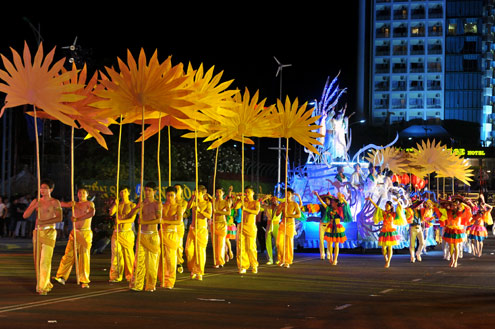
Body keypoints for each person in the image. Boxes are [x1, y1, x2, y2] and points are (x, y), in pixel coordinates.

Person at [23, 179, 63, 295]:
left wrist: (45, 222)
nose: (42, 190)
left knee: (45, 260)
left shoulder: (55, 202)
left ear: (51, 189)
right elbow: (25, 215)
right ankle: (43, 282)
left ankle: (42, 287)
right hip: (37, 232)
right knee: (37, 260)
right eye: (41, 188)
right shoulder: (37, 201)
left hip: (49, 231)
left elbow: (59, 218)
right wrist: (34, 205)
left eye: (45, 188)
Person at [53, 188, 95, 288]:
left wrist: (78, 219)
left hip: (85, 233)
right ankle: (61, 276)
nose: (81, 194)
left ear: (87, 195)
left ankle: (84, 279)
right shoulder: (74, 204)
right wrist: (55, 201)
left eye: (83, 193)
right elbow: (61, 204)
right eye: (79, 193)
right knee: (68, 254)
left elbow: (91, 213)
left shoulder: (89, 204)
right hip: (75, 232)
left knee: (84, 256)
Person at [128, 182, 162, 292]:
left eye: (150, 190)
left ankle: (150, 285)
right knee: (139, 261)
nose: (147, 192)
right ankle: (137, 284)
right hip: (142, 235)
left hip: (152, 235)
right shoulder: (142, 203)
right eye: (146, 190)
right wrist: (137, 207)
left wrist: (144, 221)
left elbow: (159, 220)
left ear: (155, 192)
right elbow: (130, 215)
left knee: (151, 263)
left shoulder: (157, 204)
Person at [367, 197, 406, 268]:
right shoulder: (384, 213)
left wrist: (398, 202)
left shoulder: (393, 214)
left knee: (390, 248)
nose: (385, 206)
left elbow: (400, 209)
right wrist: (370, 200)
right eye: (385, 205)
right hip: (384, 231)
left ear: (390, 207)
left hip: (391, 231)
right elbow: (377, 207)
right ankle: (386, 259)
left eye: (387, 205)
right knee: (383, 248)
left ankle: (388, 262)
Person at [108, 186, 136, 283]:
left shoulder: (132, 205)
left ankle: (131, 275)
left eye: (125, 191)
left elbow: (132, 219)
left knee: (128, 255)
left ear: (128, 193)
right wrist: (114, 204)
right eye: (121, 192)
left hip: (127, 233)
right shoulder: (118, 204)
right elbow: (111, 213)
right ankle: (116, 275)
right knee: (116, 254)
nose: (123, 194)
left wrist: (121, 221)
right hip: (117, 233)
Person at [157, 186, 183, 289]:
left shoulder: (178, 207)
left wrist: (165, 221)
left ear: (175, 195)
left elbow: (179, 221)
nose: (170, 197)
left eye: (172, 195)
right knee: (161, 259)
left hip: (172, 234)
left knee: (171, 259)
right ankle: (162, 279)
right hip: (161, 233)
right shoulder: (162, 206)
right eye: (168, 195)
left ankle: (170, 280)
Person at [314, 191, 349, 265]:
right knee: (329, 244)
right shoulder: (329, 209)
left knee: (336, 244)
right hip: (330, 227)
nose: (331, 203)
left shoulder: (339, 209)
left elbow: (346, 204)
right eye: (331, 202)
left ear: (336, 203)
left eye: (333, 202)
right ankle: (331, 257)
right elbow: (322, 203)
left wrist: (342, 198)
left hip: (337, 227)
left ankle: (335, 259)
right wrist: (317, 195)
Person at [185, 185, 212, 281]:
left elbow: (209, 215)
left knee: (200, 252)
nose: (196, 194)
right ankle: (193, 268)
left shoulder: (207, 204)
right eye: (195, 192)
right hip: (192, 228)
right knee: (189, 250)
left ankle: (199, 271)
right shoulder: (194, 202)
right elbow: (188, 207)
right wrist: (192, 198)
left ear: (202, 193)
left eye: (197, 193)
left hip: (201, 229)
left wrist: (200, 211)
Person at [237, 186, 261, 273]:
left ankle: (254, 265)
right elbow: (236, 207)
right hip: (242, 226)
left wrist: (246, 209)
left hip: (251, 226)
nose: (247, 194)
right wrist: (240, 200)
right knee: (241, 247)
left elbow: (256, 212)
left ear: (253, 193)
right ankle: (243, 266)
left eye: (248, 192)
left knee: (251, 247)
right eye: (246, 192)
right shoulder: (243, 202)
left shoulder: (256, 202)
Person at [275, 188, 301, 268]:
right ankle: (281, 259)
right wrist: (281, 208)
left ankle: (287, 260)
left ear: (292, 195)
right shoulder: (282, 204)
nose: (287, 195)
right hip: (283, 224)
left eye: (289, 194)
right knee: (279, 243)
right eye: (286, 194)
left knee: (289, 243)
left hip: (290, 224)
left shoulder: (294, 204)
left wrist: (289, 215)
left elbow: (298, 215)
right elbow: (277, 214)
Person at [212, 187, 231, 268]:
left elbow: (228, 213)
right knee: (215, 244)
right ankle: (216, 261)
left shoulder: (225, 202)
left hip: (222, 224)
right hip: (214, 224)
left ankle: (221, 261)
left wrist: (218, 211)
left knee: (221, 244)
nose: (218, 194)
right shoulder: (213, 202)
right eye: (217, 192)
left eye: (220, 192)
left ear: (223, 193)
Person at [173, 184, 188, 274]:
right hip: (169, 225)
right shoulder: (169, 201)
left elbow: (181, 212)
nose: (176, 190)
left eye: (178, 189)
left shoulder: (183, 202)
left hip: (178, 225)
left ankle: (179, 262)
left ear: (182, 191)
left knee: (178, 245)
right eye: (175, 189)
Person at [264, 196, 280, 265]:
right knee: (268, 242)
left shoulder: (280, 206)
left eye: (275, 200)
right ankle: (270, 259)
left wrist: (278, 200)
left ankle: (279, 258)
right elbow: (260, 203)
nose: (274, 201)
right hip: (269, 225)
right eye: (273, 200)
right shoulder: (267, 207)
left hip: (276, 225)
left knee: (277, 243)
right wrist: (265, 198)